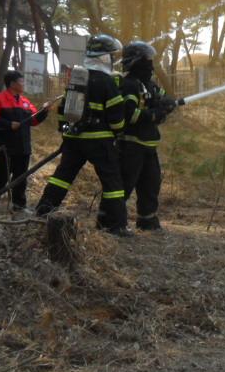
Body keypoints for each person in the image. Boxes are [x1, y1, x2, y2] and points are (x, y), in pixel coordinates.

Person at [34, 35, 129, 235]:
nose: (114, 60)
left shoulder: (77, 79)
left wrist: (67, 135)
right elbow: (116, 117)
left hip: (74, 139)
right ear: (105, 58)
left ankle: (43, 210)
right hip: (99, 141)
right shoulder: (107, 82)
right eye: (112, 56)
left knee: (62, 176)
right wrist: (118, 131)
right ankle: (114, 225)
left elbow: (63, 111)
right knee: (113, 182)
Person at [114, 40, 179, 232]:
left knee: (151, 185)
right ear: (136, 62)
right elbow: (130, 115)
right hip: (131, 146)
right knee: (124, 186)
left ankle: (147, 221)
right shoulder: (130, 85)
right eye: (147, 60)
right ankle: (112, 222)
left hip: (149, 145)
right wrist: (154, 114)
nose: (151, 64)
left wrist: (167, 104)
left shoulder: (148, 85)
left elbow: (161, 97)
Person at [0, 70, 51, 211]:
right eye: (21, 81)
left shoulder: (25, 102)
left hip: (23, 147)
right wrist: (8, 124)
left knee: (21, 178)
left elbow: (34, 120)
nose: (23, 84)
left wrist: (44, 111)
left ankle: (19, 205)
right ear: (12, 84)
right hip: (4, 147)